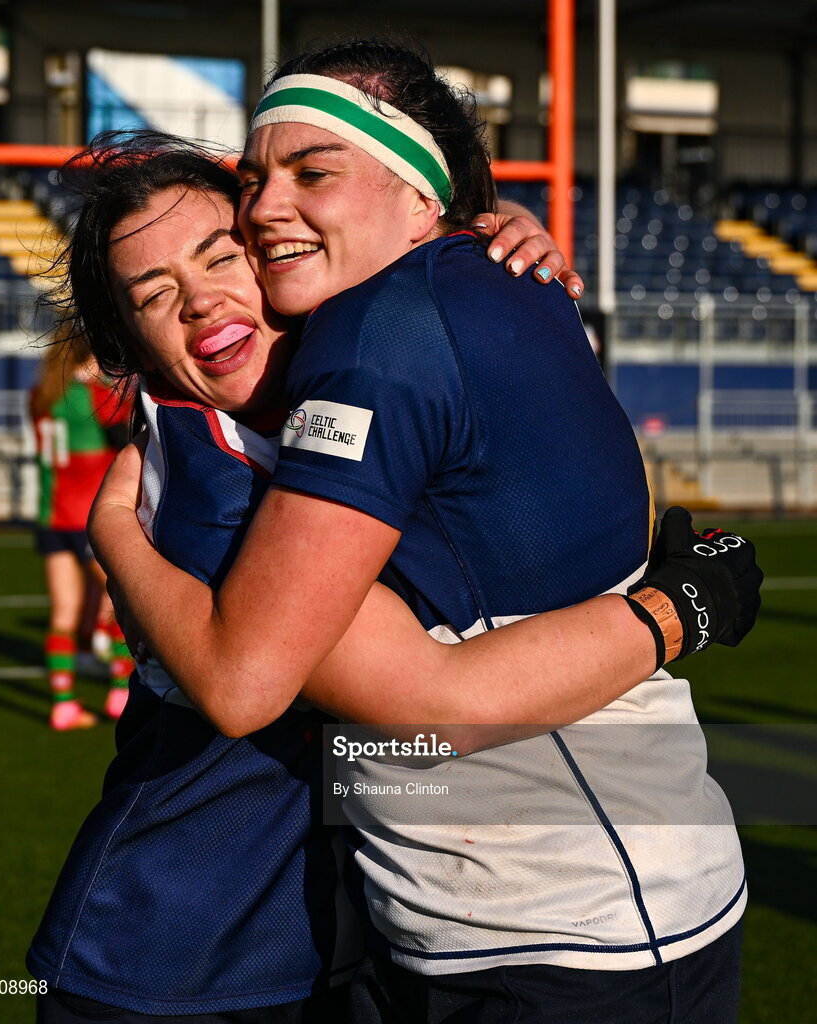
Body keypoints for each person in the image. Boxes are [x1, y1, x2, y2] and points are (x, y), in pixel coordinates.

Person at [89, 42, 761, 1024]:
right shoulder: (231, 454)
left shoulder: (391, 324)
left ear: (423, 196)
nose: (268, 209)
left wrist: (489, 227)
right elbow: (340, 694)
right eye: (152, 295)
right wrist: (679, 609)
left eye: (310, 174)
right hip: (225, 949)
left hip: (554, 919)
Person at [28, 133, 620, 1022]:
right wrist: (676, 611)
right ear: (133, 348)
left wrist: (487, 245)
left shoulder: (340, 395)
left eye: (220, 256)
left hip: (334, 946)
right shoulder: (208, 492)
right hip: (169, 967)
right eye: (153, 297)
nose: (198, 302)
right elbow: (433, 707)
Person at [30, 338, 134, 729]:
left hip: (49, 514)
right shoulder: (91, 394)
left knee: (63, 614)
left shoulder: (40, 395)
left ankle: (63, 703)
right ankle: (120, 692)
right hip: (87, 516)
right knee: (123, 602)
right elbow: (125, 427)